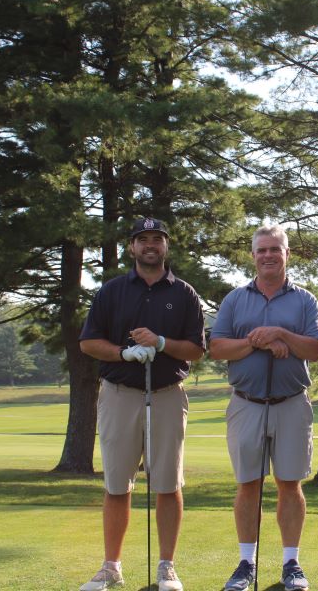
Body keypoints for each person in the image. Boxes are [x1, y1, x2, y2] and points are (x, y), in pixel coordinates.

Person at [78, 217, 206, 591]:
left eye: (157, 239)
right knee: (117, 485)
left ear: (166, 246)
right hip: (120, 395)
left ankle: (167, 567)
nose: (150, 245)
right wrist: (123, 352)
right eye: (143, 239)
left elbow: (197, 350)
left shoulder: (183, 293)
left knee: (167, 484)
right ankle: (111, 566)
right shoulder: (111, 292)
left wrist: (161, 343)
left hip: (167, 394)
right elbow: (88, 342)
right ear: (132, 247)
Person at [209, 224, 318, 591]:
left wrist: (282, 335)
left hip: (291, 403)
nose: (269, 255)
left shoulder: (304, 300)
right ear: (253, 255)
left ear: (287, 254)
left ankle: (291, 563)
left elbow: (314, 350)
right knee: (248, 485)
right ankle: (246, 562)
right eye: (262, 250)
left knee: (290, 484)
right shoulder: (235, 299)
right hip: (247, 403)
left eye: (276, 249)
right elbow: (217, 348)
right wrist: (258, 341)